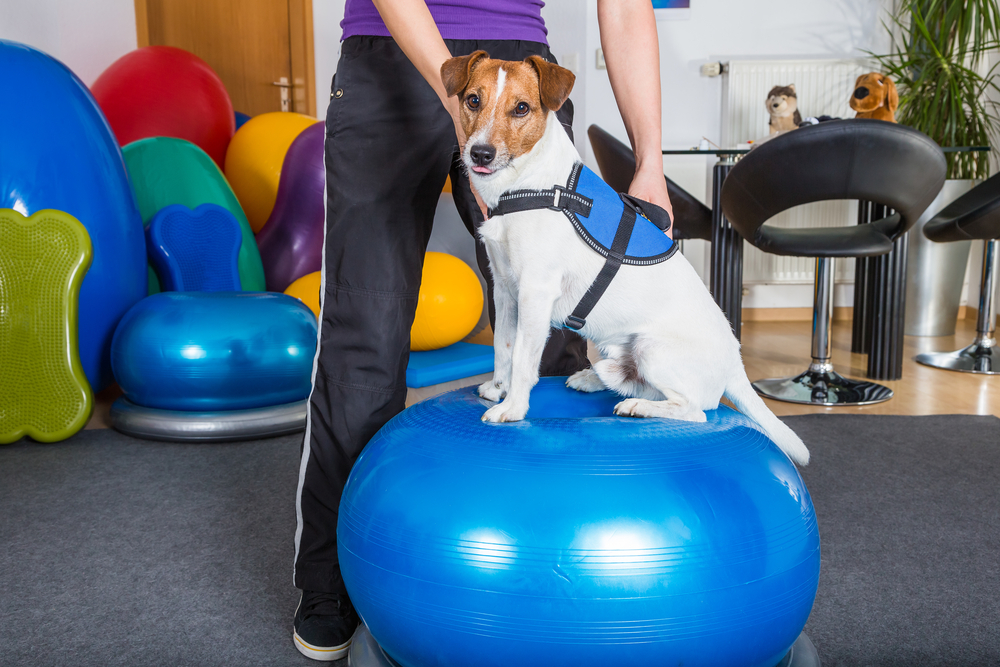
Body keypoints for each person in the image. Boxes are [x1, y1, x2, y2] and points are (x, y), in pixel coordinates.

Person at [292, 0, 673, 660]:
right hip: (390, 58)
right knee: (364, 336)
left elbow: (624, 7)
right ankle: (332, 581)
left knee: (552, 335)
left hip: (522, 68)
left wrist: (650, 161)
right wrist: (460, 104)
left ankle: (558, 563)